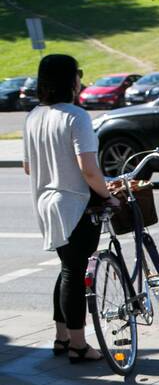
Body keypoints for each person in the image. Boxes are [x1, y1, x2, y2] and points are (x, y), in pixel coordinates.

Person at [23, 54, 121, 364]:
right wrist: (109, 196)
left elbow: (28, 167)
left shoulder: (34, 116)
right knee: (75, 274)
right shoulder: (76, 116)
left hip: (45, 203)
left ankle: (62, 337)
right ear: (72, 81)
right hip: (75, 204)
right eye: (78, 75)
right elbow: (90, 171)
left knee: (67, 269)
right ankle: (79, 345)